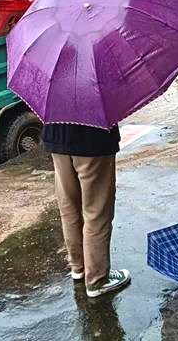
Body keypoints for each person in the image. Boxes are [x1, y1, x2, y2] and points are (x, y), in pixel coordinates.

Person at [41, 122, 131, 297]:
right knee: (96, 213)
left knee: (69, 207)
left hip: (57, 137)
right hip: (93, 139)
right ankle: (97, 279)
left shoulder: (53, 93)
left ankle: (78, 267)